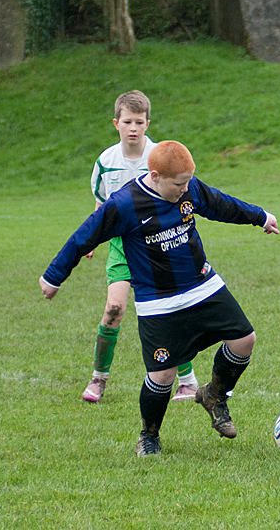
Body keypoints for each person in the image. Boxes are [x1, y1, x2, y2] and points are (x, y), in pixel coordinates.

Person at [40, 140, 279, 456]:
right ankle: (149, 435)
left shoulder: (188, 187)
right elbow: (84, 236)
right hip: (158, 302)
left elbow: (220, 204)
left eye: (187, 182)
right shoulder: (124, 204)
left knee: (244, 340)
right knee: (162, 375)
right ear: (154, 175)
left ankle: (215, 395)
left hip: (202, 285)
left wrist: (259, 216)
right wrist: (54, 275)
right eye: (178, 184)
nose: (184, 190)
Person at [83, 90, 198, 403]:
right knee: (114, 309)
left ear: (148, 123)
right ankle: (98, 378)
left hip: (156, 244)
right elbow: (101, 206)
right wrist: (91, 238)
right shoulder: (106, 162)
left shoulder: (159, 157)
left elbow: (179, 193)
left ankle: (187, 381)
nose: (133, 127)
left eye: (139, 121)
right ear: (116, 123)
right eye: (127, 121)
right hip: (122, 245)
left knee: (168, 311)